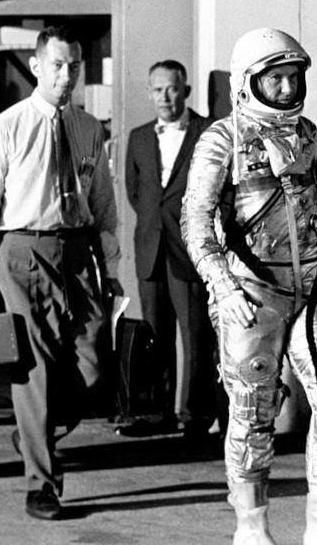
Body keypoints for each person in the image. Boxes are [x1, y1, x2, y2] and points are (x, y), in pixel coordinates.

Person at [181, 28, 317, 544]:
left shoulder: (305, 134)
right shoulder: (222, 139)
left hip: (312, 286)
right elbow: (195, 222)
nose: (287, 88)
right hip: (252, 292)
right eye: (276, 78)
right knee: (251, 415)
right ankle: (251, 528)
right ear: (249, 82)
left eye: (293, 77)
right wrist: (222, 287)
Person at [0, 25, 123, 520]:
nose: (66, 74)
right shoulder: (6, 127)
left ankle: (39, 428)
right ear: (36, 66)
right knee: (33, 370)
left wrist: (111, 269)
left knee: (93, 361)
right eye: (56, 64)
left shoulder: (88, 127)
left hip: (77, 254)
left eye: (74, 64)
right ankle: (41, 485)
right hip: (22, 253)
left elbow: (104, 205)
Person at [121, 59, 216, 437]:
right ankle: (157, 412)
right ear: (149, 93)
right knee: (155, 337)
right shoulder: (139, 137)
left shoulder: (206, 131)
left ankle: (196, 414)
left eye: (172, 88)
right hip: (150, 248)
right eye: (157, 89)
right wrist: (155, 225)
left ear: (186, 90)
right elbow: (136, 192)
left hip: (189, 250)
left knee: (196, 336)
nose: (165, 96)